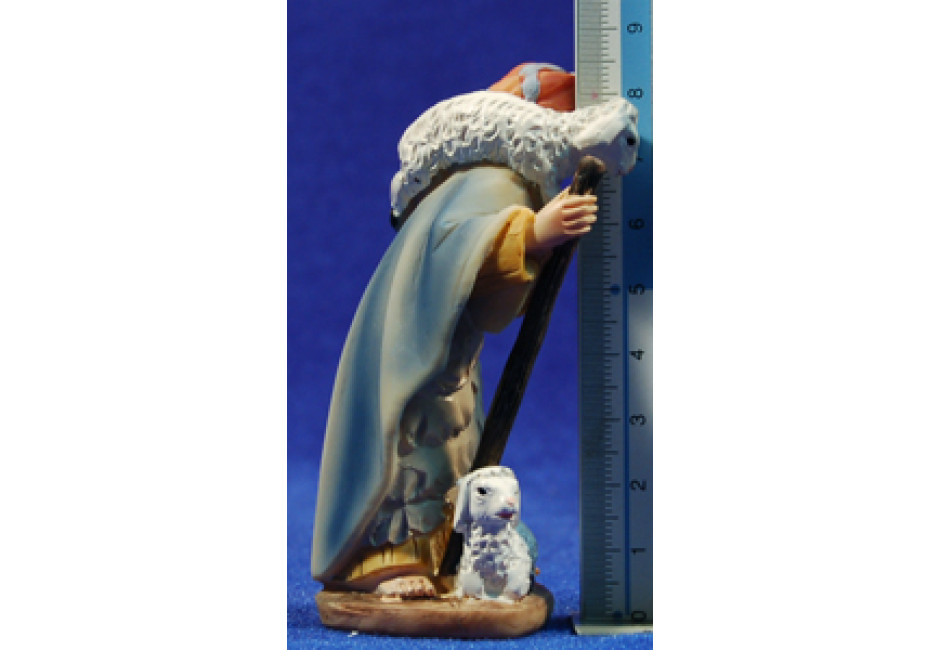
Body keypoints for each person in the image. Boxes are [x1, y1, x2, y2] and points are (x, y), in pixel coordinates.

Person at [311, 64, 638, 597]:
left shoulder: (509, 182)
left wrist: (536, 235)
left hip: (448, 360)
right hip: (417, 364)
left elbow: (485, 296)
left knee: (448, 456)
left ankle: (447, 552)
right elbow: (452, 247)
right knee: (412, 452)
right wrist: (534, 232)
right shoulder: (488, 180)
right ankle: (385, 562)